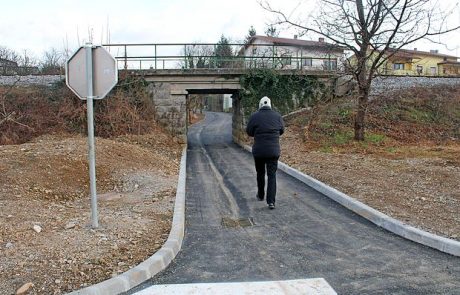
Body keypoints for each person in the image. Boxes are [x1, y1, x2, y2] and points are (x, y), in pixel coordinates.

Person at [246, 96, 284, 209]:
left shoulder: (254, 116)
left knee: (260, 173)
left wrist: (257, 133)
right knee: (272, 175)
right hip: (273, 151)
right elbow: (281, 130)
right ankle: (271, 201)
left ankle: (261, 195)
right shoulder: (277, 116)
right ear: (270, 105)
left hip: (259, 151)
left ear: (260, 105)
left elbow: (249, 131)